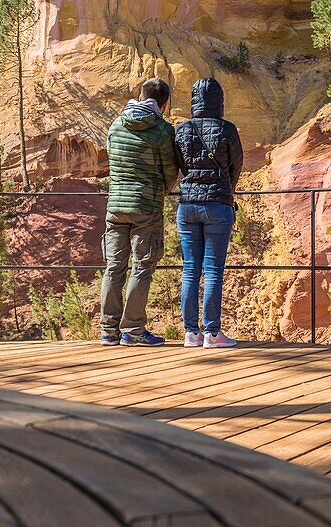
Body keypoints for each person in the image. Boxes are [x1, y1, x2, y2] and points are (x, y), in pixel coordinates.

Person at [100, 77, 178, 347]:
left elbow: (112, 160)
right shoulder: (162, 130)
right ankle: (132, 330)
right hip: (145, 206)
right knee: (142, 266)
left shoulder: (116, 124)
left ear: (141, 96)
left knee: (114, 267)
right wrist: (161, 191)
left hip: (115, 207)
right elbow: (170, 171)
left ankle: (108, 331)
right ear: (163, 104)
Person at [175, 77, 244, 348]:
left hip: (187, 205)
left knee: (190, 269)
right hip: (218, 204)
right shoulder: (227, 129)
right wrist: (227, 188)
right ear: (220, 100)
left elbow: (181, 165)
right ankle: (213, 334)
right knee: (213, 270)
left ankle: (192, 333)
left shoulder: (182, 130)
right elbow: (236, 165)